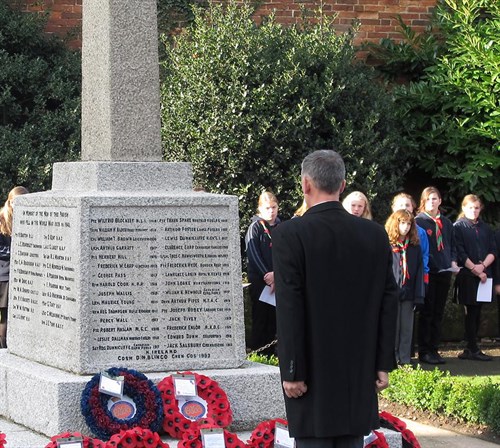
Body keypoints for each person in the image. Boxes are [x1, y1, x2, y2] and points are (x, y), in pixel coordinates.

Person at [272, 150, 398, 448]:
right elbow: (388, 299)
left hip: (311, 374)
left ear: (305, 184)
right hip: (357, 371)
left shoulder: (290, 234)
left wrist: (292, 370)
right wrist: (382, 362)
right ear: (342, 186)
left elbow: (290, 306)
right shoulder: (374, 234)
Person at [415, 187, 457, 365]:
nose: (432, 202)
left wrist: (453, 261)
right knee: (427, 312)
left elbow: (452, 245)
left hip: (444, 271)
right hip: (429, 272)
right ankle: (424, 351)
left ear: (440, 201)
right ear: (423, 202)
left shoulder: (446, 223)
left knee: (438, 312)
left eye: (435, 199)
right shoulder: (419, 221)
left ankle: (434, 348)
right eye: (428, 199)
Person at [453, 195, 497, 361]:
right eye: (470, 207)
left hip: (484, 275)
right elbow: (460, 252)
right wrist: (476, 270)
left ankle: (472, 346)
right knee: (470, 312)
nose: (474, 211)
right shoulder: (458, 227)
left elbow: (493, 250)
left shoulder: (485, 228)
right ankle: (471, 347)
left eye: (477, 208)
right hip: (468, 275)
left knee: (478, 312)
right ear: (464, 208)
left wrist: (483, 267)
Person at [385, 209, 425, 365]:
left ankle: (405, 360)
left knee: (407, 328)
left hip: (409, 292)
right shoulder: (387, 245)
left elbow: (420, 270)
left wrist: (418, 295)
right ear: (396, 223)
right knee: (392, 327)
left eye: (409, 223)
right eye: (402, 223)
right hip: (392, 292)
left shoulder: (414, 246)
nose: (406, 227)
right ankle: (392, 360)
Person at [245, 191, 281, 355]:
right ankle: (258, 350)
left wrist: (277, 275)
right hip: (261, 282)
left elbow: (285, 253)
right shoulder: (256, 228)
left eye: (274, 207)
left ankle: (271, 351)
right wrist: (267, 275)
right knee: (260, 317)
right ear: (260, 209)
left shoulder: (281, 227)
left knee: (274, 318)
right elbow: (253, 254)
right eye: (267, 208)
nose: (271, 212)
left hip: (278, 280)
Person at [0, 186, 29, 348]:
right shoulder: (2, 219)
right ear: (10, 202)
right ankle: (3, 348)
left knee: (13, 314)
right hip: (4, 275)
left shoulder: (25, 219)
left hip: (17, 274)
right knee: (5, 315)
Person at [391, 193, 429, 284]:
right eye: (401, 205)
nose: (404, 208)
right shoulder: (387, 231)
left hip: (414, 277)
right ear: (394, 208)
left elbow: (424, 255)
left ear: (412, 208)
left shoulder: (421, 232)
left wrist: (423, 276)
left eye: (407, 205)